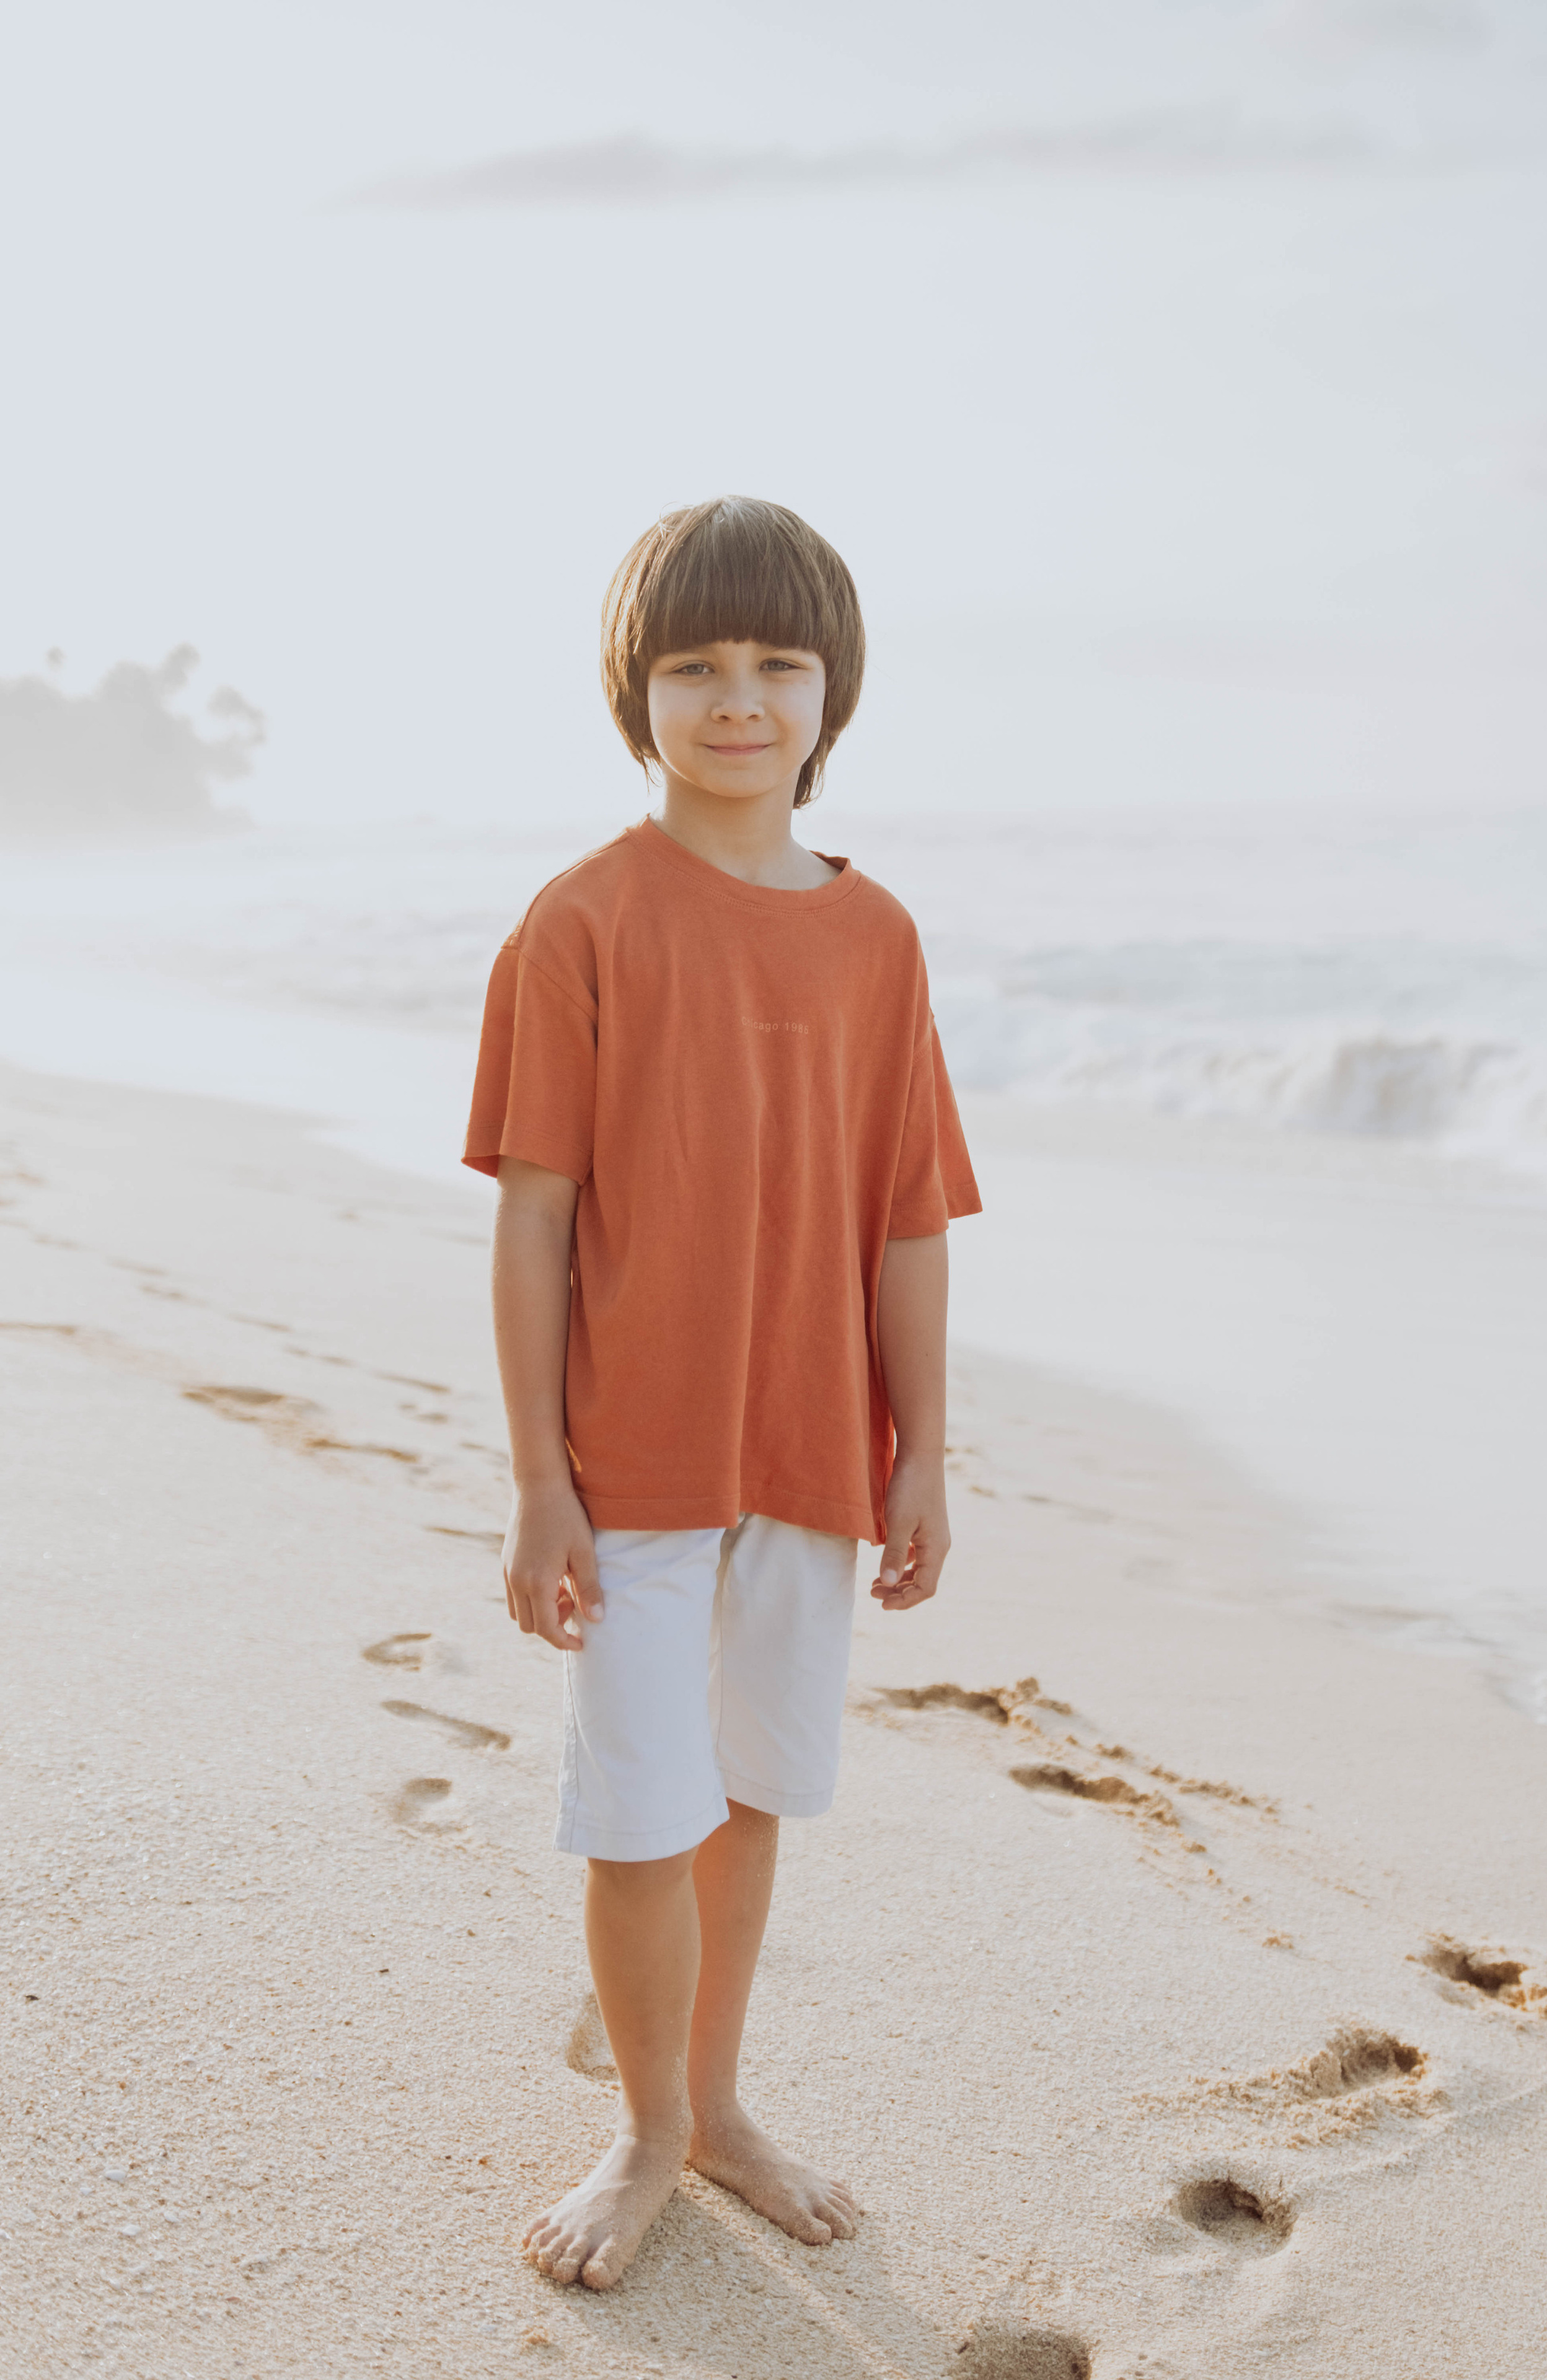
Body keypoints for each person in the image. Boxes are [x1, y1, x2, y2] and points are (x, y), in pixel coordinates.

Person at [464, 495, 981, 2291]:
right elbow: (536, 1220)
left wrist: (923, 1453)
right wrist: (541, 1482)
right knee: (638, 1811)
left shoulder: (879, 936)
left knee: (747, 1793)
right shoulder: (583, 921)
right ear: (639, 692)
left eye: (777, 663)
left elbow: (907, 1219)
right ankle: (647, 2130)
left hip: (816, 1453)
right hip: (635, 1461)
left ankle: (718, 2104)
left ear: (835, 692)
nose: (739, 699)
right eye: (694, 666)